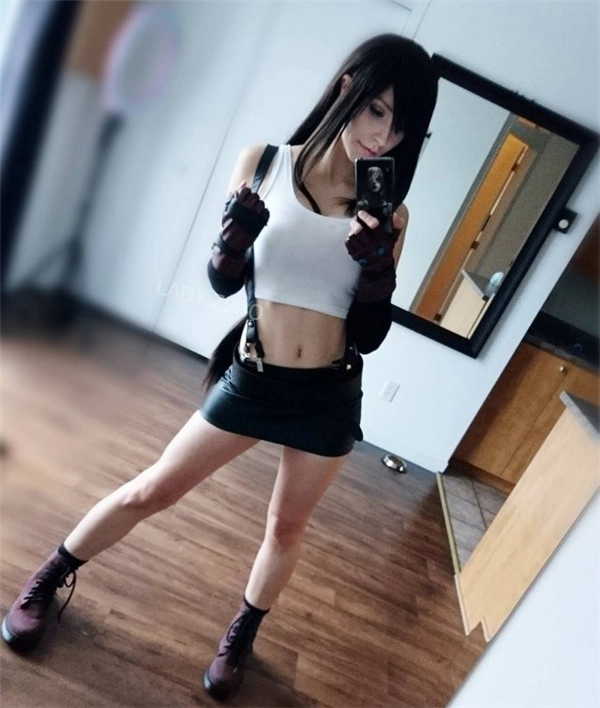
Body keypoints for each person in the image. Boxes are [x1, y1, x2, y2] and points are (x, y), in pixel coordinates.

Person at [2, 33, 437, 700]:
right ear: (347, 87)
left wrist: (378, 269)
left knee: (285, 528)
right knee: (152, 490)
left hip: (328, 396)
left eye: (401, 126)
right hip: (255, 378)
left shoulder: (390, 214)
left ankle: (241, 636)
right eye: (377, 110)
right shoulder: (263, 163)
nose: (383, 136)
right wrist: (232, 240)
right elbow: (224, 282)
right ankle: (47, 578)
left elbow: (370, 336)